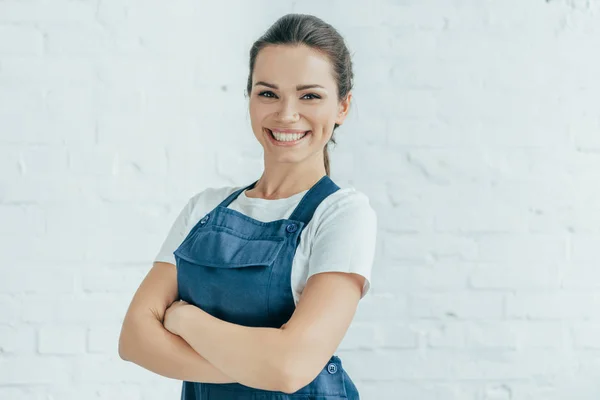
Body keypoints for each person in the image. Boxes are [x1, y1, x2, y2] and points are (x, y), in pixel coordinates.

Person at [119, 13, 377, 399]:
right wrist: (258, 366)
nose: (286, 114)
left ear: (342, 107)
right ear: (250, 99)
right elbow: (134, 339)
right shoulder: (203, 209)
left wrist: (183, 318)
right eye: (268, 93)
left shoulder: (341, 215)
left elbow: (291, 369)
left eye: (310, 95)